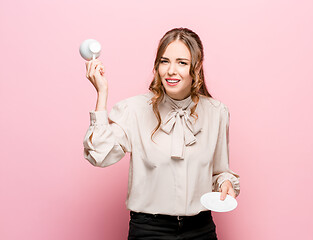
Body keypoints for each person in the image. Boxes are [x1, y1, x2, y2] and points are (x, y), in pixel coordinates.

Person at [83, 27, 240, 240]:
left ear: (197, 67)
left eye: (182, 63)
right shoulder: (134, 110)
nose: (171, 71)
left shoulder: (217, 112)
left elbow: (220, 171)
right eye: (164, 61)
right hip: (149, 230)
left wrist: (225, 183)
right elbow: (99, 155)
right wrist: (102, 93)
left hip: (200, 229)